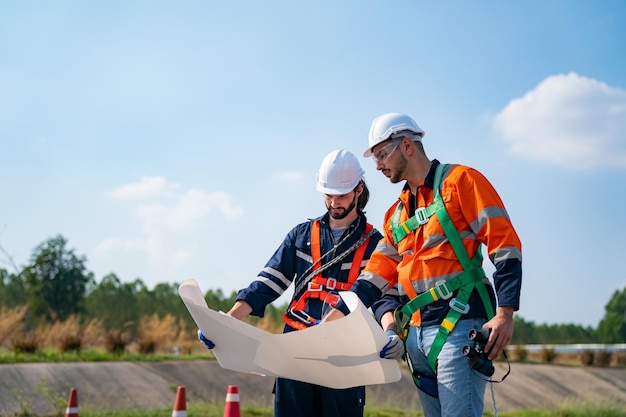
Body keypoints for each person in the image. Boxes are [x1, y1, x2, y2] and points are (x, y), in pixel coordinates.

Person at [323, 112, 522, 417]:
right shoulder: (396, 215)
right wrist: (338, 313)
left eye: (381, 154)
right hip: (414, 338)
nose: (376, 166)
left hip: (459, 326)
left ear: (406, 145)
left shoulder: (461, 182)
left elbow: (504, 244)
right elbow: (376, 273)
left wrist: (505, 313)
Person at [198, 148, 384, 417]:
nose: (334, 203)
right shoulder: (302, 235)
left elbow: (379, 297)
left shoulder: (375, 245)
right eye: (328, 195)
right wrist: (227, 322)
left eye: (342, 196)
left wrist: (389, 333)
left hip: (346, 355)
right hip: (296, 350)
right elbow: (267, 283)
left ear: (359, 190)